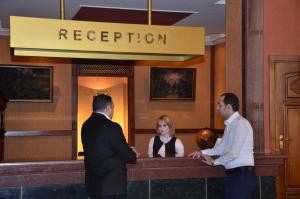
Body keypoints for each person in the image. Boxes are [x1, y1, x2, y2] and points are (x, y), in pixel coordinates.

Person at [188, 93, 256, 199]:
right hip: (235, 176)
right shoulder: (230, 125)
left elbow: (233, 153)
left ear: (228, 107)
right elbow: (221, 148)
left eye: (220, 105)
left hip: (242, 177)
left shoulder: (241, 124)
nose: (217, 108)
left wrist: (214, 162)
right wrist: (202, 152)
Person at [81, 94, 139, 199]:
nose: (113, 111)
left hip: (93, 185)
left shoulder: (85, 125)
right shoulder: (112, 127)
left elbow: (102, 148)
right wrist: (133, 154)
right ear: (108, 108)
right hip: (111, 186)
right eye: (113, 108)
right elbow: (124, 153)